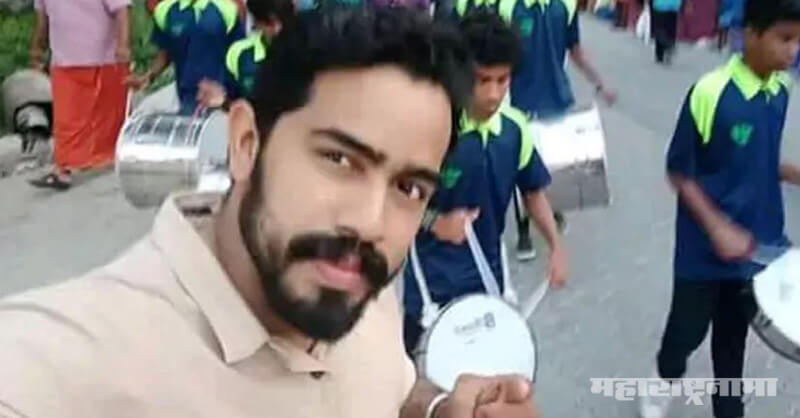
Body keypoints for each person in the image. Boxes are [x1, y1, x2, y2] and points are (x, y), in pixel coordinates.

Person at [0, 8, 542, 418]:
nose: (370, 222)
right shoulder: (58, 364)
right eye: (339, 159)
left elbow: (387, 388)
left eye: (409, 187)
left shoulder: (356, 286)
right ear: (245, 143)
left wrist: (439, 409)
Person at [639, 1, 800, 417]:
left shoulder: (781, 90)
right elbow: (679, 170)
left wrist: (790, 172)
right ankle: (664, 378)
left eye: (798, 40)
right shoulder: (711, 92)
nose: (793, 50)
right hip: (703, 253)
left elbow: (756, 157)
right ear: (751, 34)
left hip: (756, 245)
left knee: (732, 343)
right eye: (784, 39)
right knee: (685, 334)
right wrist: (716, 227)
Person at [402, 9, 568, 355]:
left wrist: (556, 246)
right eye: (483, 80)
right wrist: (436, 223)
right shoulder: (433, 128)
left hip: (488, 284)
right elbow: (394, 201)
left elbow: (533, 193)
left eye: (502, 80)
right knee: (419, 376)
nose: (493, 94)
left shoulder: (515, 129)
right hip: (431, 291)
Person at [494, 0, 617, 260]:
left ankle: (550, 209)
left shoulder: (566, 5)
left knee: (552, 165)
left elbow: (575, 49)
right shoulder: (507, 6)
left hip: (556, 97)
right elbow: (498, 54)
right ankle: (525, 231)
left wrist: (600, 82)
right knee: (522, 167)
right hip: (520, 101)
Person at [27, 0, 131, 190]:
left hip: (104, 60)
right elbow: (42, 18)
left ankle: (107, 158)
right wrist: (37, 48)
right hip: (64, 62)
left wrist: (123, 45)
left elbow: (122, 10)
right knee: (66, 119)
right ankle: (63, 168)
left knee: (105, 116)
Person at [128, 0, 246, 114]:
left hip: (224, 96)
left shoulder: (228, 8)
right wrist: (149, 77)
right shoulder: (165, 11)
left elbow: (240, 55)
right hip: (188, 96)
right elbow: (164, 55)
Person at [197, 0, 295, 108]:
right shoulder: (239, 53)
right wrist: (223, 101)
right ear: (257, 23)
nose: (277, 29)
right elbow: (233, 104)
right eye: (268, 23)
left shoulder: (305, 51)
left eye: (283, 20)